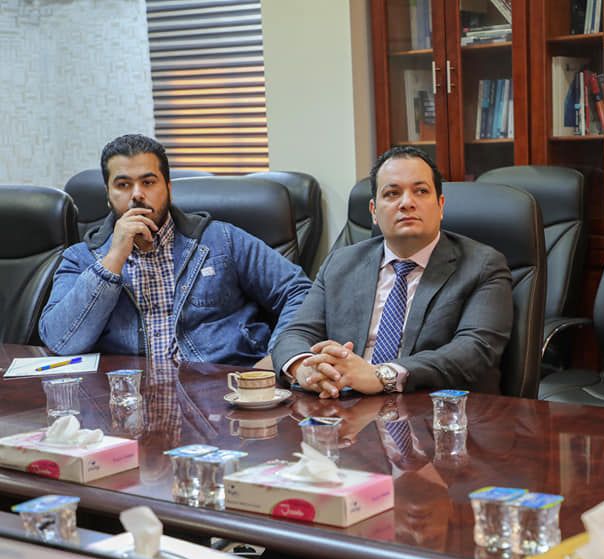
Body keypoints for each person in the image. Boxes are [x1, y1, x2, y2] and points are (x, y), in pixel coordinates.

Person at [40, 134, 311, 366]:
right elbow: (61, 342)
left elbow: (298, 291)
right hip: (130, 398)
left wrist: (278, 356)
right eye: (123, 185)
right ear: (108, 195)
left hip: (219, 390)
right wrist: (113, 259)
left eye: (148, 182)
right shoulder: (80, 258)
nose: (137, 194)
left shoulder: (221, 240)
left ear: (168, 188)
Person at [272, 146, 513, 397]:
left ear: (440, 206)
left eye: (421, 191)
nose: (407, 203)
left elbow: (475, 349)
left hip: (430, 408)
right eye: (392, 193)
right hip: (342, 404)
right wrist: (306, 369)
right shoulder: (341, 263)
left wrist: (382, 375)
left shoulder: (482, 265)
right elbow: (296, 333)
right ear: (374, 212)